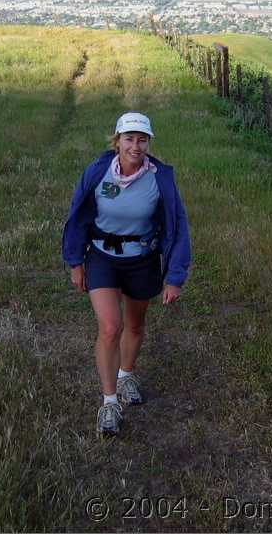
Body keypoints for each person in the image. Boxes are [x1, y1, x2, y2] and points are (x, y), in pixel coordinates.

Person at [61, 111, 191, 436]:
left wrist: (174, 276)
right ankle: (108, 403)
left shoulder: (160, 178)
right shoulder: (97, 172)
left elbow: (178, 227)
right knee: (110, 327)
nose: (136, 146)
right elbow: (76, 217)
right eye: (129, 139)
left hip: (142, 258)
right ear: (116, 140)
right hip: (102, 257)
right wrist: (76, 262)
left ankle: (126, 375)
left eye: (142, 139)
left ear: (149, 143)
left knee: (134, 324)